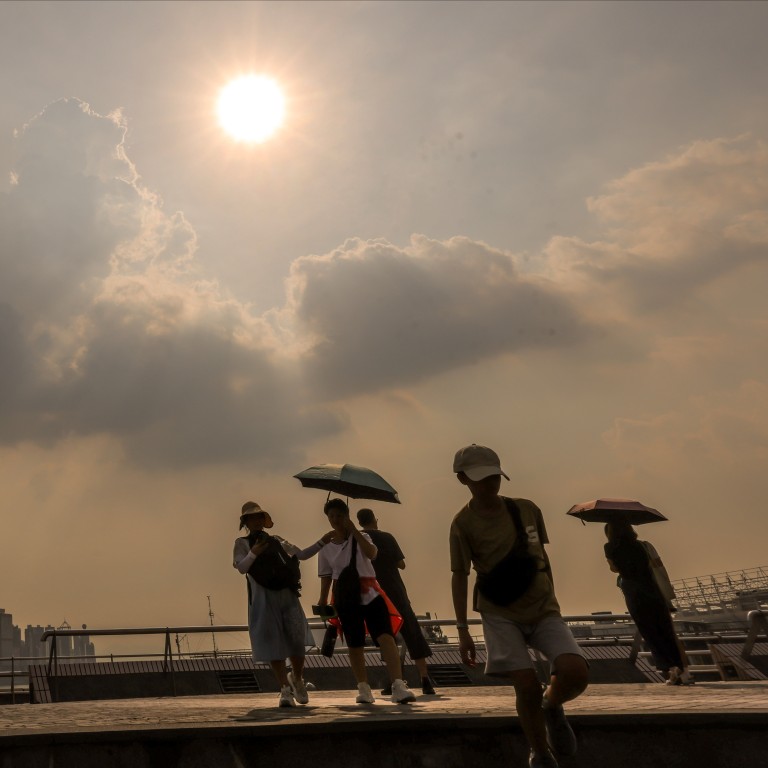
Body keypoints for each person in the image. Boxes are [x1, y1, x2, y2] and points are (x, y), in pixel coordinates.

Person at [449, 444, 588, 768]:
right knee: (525, 683)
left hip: (542, 606)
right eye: (481, 478)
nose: (490, 484)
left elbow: (541, 557)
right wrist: (462, 630)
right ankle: (540, 752)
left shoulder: (527, 509)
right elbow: (459, 575)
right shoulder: (462, 524)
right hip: (499, 610)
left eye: (494, 477)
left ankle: (551, 705)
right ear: (463, 479)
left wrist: (551, 597)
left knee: (575, 671)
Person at [317, 497, 416, 705]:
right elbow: (326, 575)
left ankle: (398, 684)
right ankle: (363, 687)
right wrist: (323, 600)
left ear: (347, 516)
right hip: (345, 596)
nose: (335, 519)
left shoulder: (362, 537)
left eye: (339, 515)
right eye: (331, 516)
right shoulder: (326, 545)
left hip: (370, 592)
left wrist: (354, 531)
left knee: (386, 637)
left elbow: (372, 554)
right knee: (354, 642)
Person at [233, 501, 331, 708]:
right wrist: (255, 552)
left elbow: (301, 555)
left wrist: (323, 541)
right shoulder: (241, 543)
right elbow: (241, 567)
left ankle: (297, 677)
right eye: (252, 518)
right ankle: (284, 689)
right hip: (262, 598)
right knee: (271, 642)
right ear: (246, 522)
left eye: (260, 517)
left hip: (287, 595)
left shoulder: (276, 540)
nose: (257, 521)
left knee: (296, 639)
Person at [356, 507, 435, 695]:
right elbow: (402, 564)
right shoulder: (387, 537)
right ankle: (425, 679)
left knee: (385, 637)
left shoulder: (357, 540)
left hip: (374, 594)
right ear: (375, 519)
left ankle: (395, 681)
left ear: (359, 522)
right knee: (412, 633)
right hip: (396, 591)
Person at [604, 520, 691, 685]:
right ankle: (679, 668)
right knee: (665, 630)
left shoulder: (610, 547)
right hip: (652, 589)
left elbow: (614, 568)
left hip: (634, 593)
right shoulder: (641, 546)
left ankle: (669, 669)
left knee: (650, 632)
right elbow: (650, 566)